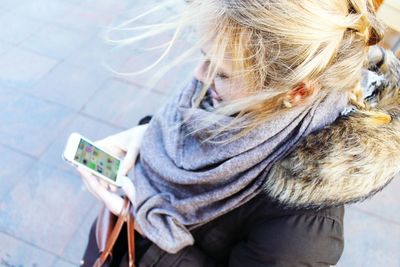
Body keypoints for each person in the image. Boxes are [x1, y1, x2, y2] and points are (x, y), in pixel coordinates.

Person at [78, 0, 400, 266]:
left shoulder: (302, 233)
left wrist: (144, 224)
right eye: (205, 56)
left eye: (222, 73)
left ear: (298, 93)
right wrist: (146, 133)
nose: (200, 75)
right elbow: (191, 126)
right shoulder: (242, 86)